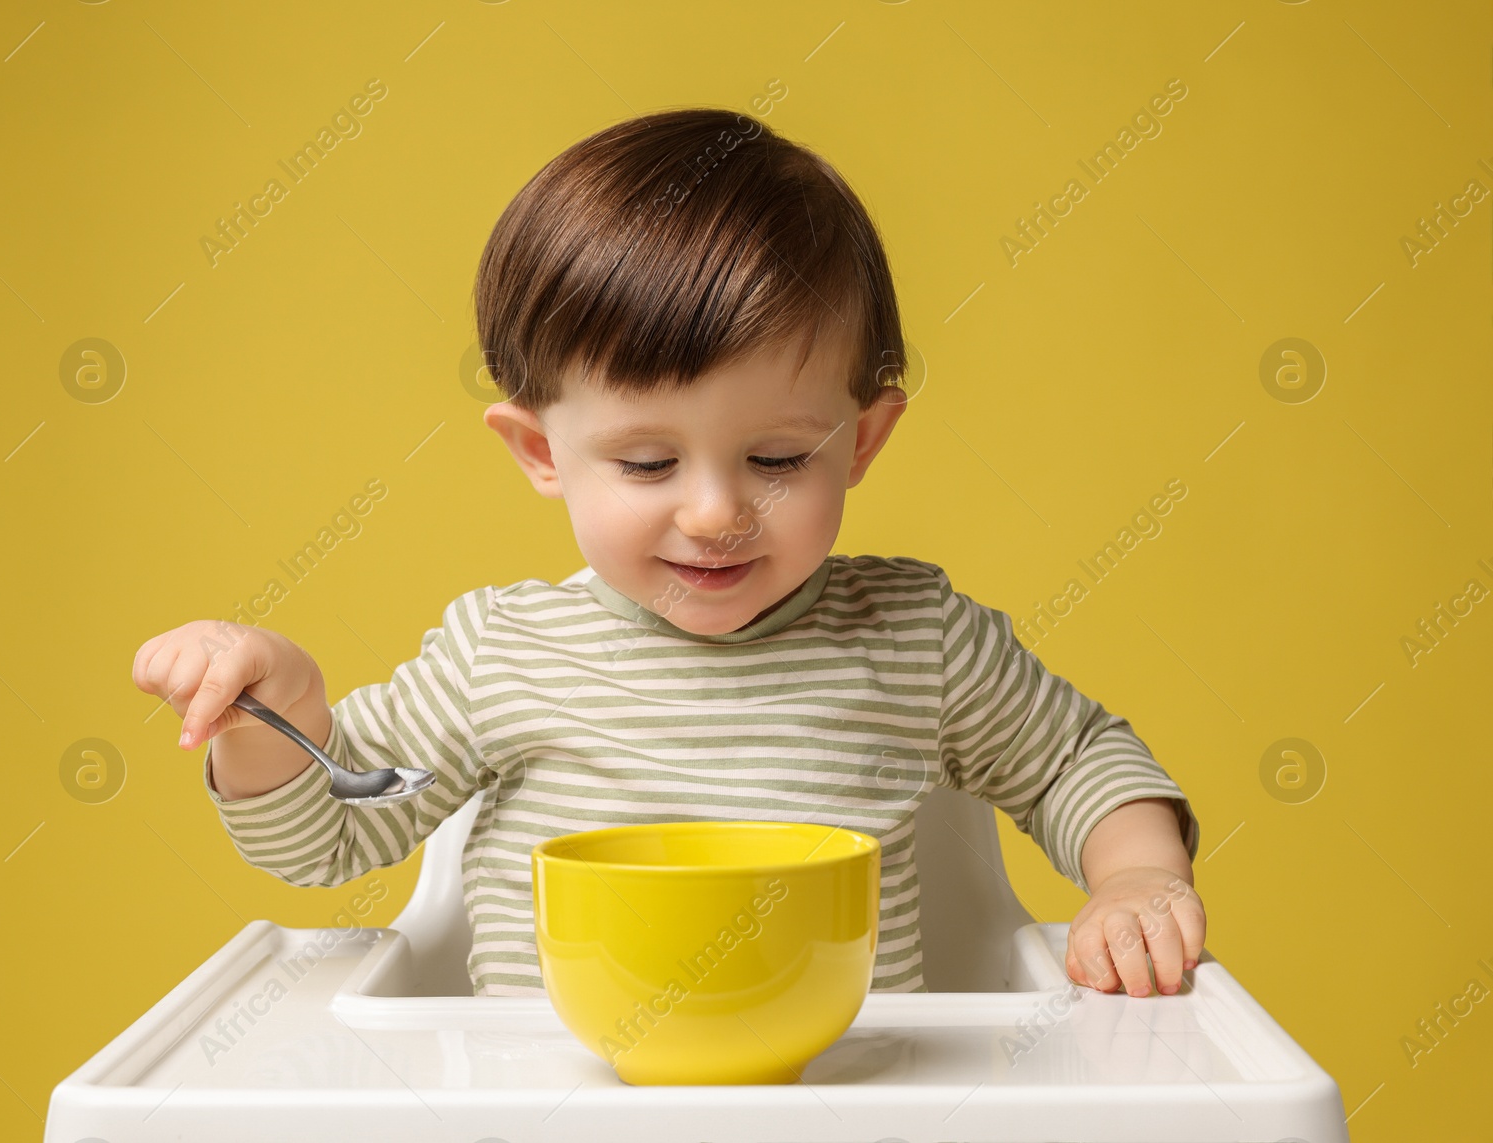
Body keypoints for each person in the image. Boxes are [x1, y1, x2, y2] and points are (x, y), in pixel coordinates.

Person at [133, 107, 1204, 1000]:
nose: (712, 511)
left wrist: (1136, 878)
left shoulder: (915, 639)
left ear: (863, 440)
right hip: (551, 1109)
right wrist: (277, 712)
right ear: (541, 452)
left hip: (835, 1107)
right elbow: (322, 841)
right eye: (646, 464)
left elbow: (1077, 759)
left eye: (778, 457)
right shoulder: (501, 652)